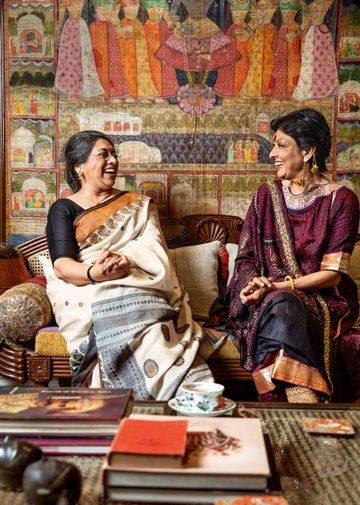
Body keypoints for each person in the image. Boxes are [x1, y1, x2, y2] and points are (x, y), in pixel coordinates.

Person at [46, 130, 213, 400]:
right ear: (80, 167)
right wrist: (95, 273)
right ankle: (146, 395)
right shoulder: (63, 208)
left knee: (139, 301)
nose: (113, 160)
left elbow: (155, 250)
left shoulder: (137, 204)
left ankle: (177, 396)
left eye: (114, 154)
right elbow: (63, 266)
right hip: (84, 285)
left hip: (137, 279)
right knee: (122, 301)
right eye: (104, 154)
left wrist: (129, 259)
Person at [207, 108, 359, 403]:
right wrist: (252, 286)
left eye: (280, 145)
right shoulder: (266, 196)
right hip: (264, 299)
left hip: (321, 300)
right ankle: (303, 402)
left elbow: (332, 275)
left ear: (307, 151)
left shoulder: (341, 199)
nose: (272, 154)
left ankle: (281, 407)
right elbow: (247, 258)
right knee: (279, 306)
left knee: (282, 304)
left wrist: (277, 287)